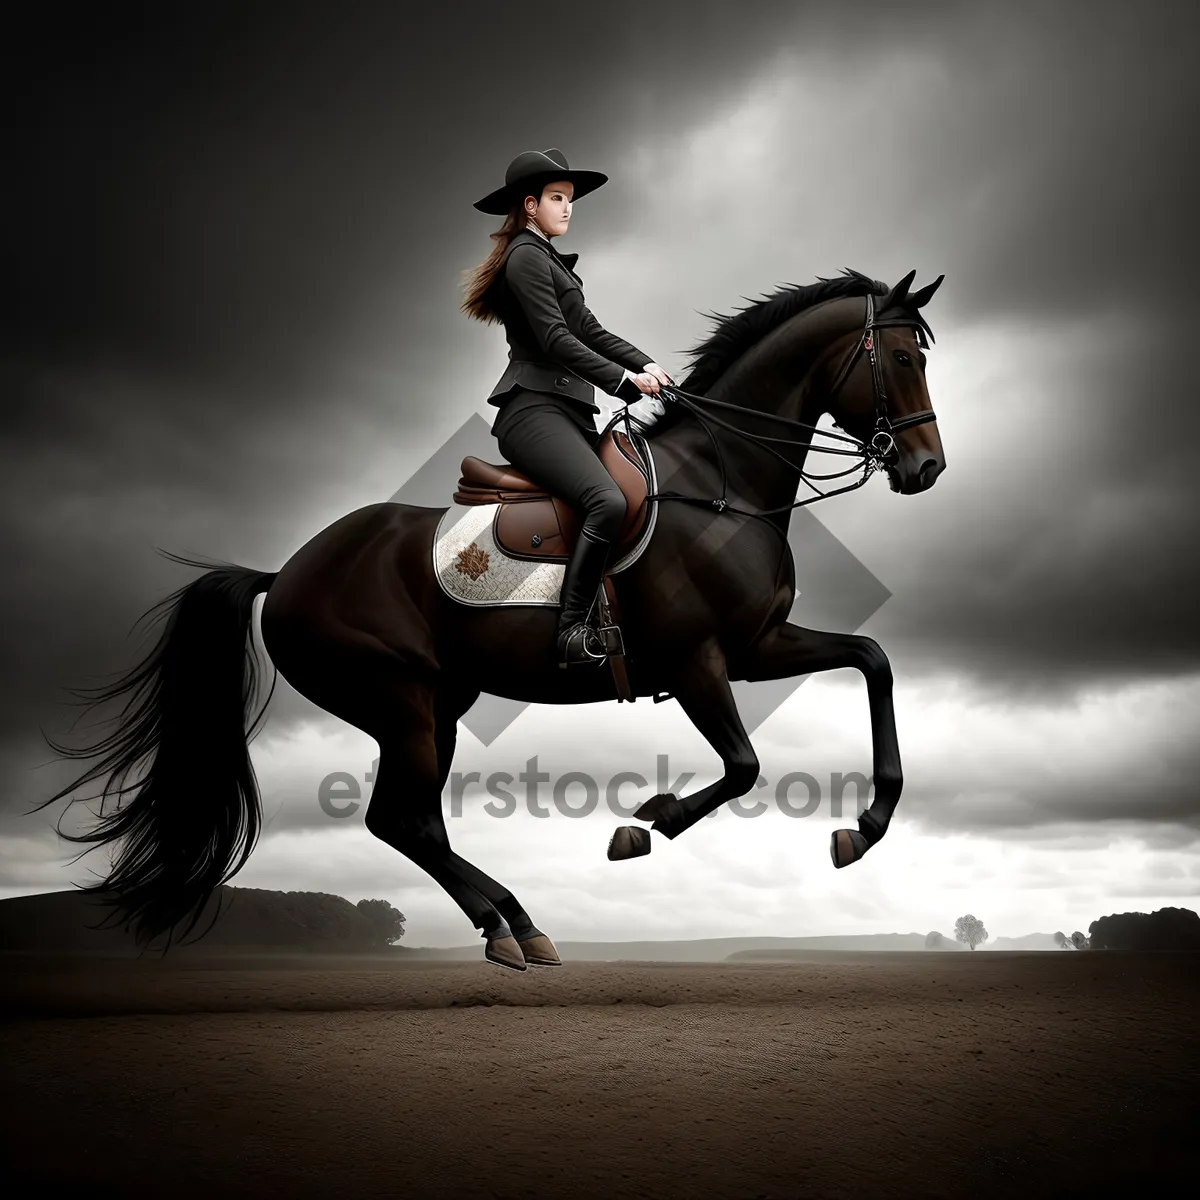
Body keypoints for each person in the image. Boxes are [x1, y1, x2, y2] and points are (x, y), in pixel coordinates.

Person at [461, 148, 672, 668]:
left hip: (570, 414)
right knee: (608, 501)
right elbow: (556, 339)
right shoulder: (526, 256)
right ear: (530, 205)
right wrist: (626, 381)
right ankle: (572, 631)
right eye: (558, 199)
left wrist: (652, 367)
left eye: (570, 200)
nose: (568, 208)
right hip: (532, 411)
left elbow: (592, 333)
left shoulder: (551, 261)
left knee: (631, 493)